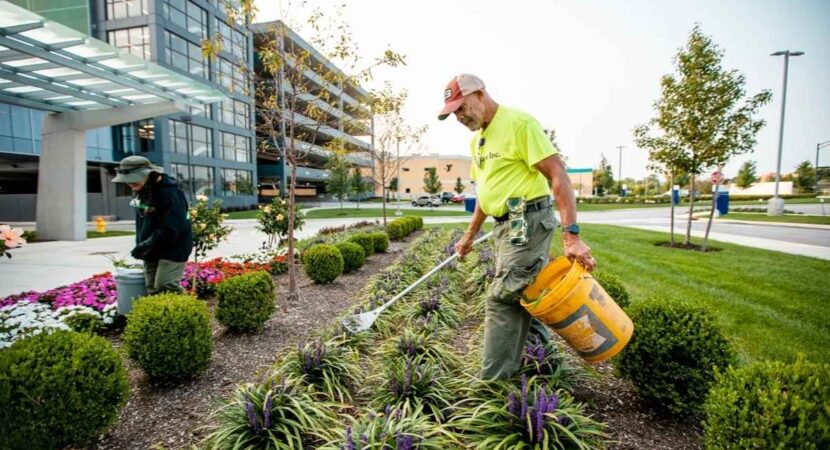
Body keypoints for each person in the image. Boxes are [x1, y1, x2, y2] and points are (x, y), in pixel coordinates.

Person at [438, 74, 596, 380]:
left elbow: (557, 174)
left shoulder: (519, 123)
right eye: (454, 112)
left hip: (526, 218)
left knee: (502, 296)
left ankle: (493, 385)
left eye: (462, 107)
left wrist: (571, 236)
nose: (459, 116)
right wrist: (469, 236)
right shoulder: (477, 140)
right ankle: (543, 363)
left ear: (480, 95)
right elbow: (486, 192)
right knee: (522, 291)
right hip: (505, 223)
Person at [112, 156, 193, 295]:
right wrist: (142, 244)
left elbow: (172, 228)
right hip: (151, 248)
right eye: (127, 181)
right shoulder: (142, 191)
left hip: (173, 246)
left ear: (149, 174)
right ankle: (162, 316)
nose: (130, 184)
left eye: (133, 180)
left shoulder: (171, 193)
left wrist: (147, 244)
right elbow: (144, 220)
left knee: (166, 284)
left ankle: (191, 313)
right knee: (152, 287)